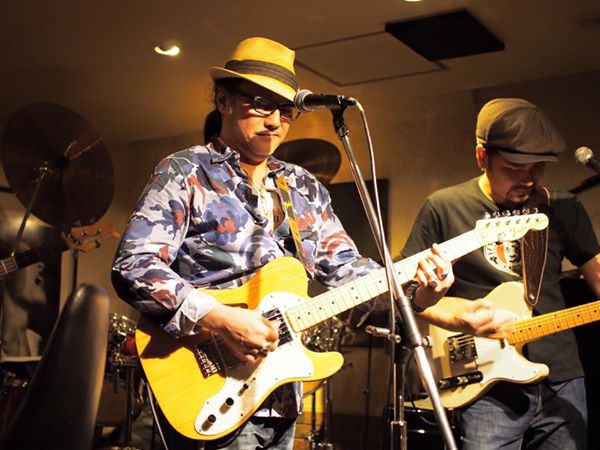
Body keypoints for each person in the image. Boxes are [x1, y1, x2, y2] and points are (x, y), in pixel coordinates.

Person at [111, 36, 454, 450]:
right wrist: (220, 318)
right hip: (205, 386)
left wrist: (417, 291)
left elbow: (347, 271)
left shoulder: (301, 185)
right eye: (261, 104)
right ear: (223, 101)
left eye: (286, 110)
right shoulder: (185, 171)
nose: (275, 121)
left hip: (280, 393)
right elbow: (134, 265)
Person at [401, 98, 600, 449]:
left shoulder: (563, 207)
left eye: (538, 168)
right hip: (486, 381)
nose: (528, 180)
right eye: (513, 169)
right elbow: (404, 293)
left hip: (562, 378)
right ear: (482, 157)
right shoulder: (445, 207)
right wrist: (456, 317)